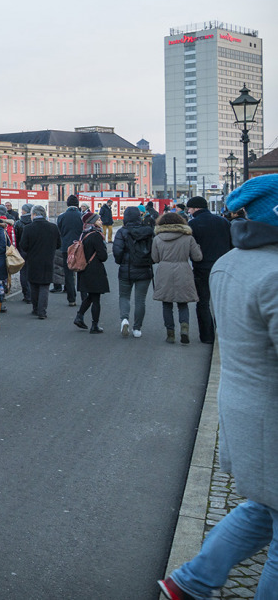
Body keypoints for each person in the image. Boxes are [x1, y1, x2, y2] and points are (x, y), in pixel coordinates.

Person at [158, 175, 278, 600]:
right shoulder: (274, 272)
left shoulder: (231, 264)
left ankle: (191, 582)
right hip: (272, 415)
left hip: (243, 406)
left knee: (265, 510)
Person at [185, 196, 232, 345]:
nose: (189, 211)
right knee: (222, 302)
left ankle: (207, 336)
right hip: (223, 267)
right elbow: (232, 244)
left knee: (203, 302)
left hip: (202, 267)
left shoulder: (193, 224)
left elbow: (191, 248)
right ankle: (224, 333)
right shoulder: (223, 222)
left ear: (196, 208)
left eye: (190, 208)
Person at [152, 211, 202, 344]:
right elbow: (197, 257)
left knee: (166, 303)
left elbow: (155, 258)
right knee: (183, 303)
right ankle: (184, 328)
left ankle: (170, 333)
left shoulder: (157, 238)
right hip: (183, 270)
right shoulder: (188, 237)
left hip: (164, 271)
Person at [113, 206, 155, 339]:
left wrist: (121, 262)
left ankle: (124, 320)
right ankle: (137, 328)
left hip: (126, 270)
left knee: (124, 296)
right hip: (144, 269)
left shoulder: (122, 232)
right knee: (140, 300)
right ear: (139, 217)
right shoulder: (148, 231)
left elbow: (117, 251)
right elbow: (154, 250)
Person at [18, 205, 59, 320]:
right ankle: (42, 311)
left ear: (34, 215)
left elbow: (23, 246)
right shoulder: (53, 227)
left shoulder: (28, 228)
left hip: (33, 260)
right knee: (45, 286)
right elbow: (59, 244)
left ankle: (35, 308)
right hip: (48, 260)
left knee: (34, 285)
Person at [72, 210, 109, 333]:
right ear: (92, 222)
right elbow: (103, 256)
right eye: (98, 219)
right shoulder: (96, 235)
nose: (101, 221)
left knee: (91, 296)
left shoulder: (83, 234)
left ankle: (79, 316)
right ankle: (95, 325)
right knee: (96, 298)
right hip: (95, 269)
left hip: (84, 268)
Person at [56, 195, 83, 306]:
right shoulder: (82, 216)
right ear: (77, 204)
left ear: (67, 204)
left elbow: (59, 231)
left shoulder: (62, 217)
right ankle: (84, 297)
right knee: (82, 271)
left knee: (68, 273)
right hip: (80, 247)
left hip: (66, 247)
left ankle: (71, 298)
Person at [14, 204, 34, 303]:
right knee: (33, 272)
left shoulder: (18, 223)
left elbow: (16, 238)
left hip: (22, 250)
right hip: (34, 251)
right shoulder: (34, 222)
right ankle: (33, 294)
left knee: (23, 273)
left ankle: (27, 295)